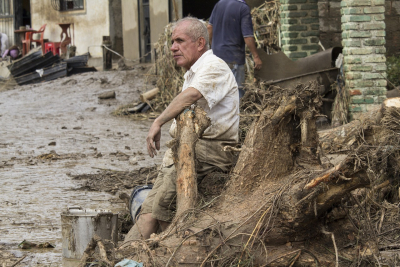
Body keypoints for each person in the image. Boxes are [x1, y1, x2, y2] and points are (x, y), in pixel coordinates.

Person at [125, 17, 239, 241]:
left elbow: (191, 96)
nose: (172, 47)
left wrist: (158, 121)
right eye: (172, 41)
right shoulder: (194, 71)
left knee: (160, 210)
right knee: (148, 210)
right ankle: (122, 257)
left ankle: (160, 253)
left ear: (199, 43)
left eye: (179, 41)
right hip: (184, 150)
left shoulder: (214, 66)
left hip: (208, 151)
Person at [207, 0, 262, 98]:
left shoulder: (219, 4)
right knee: (236, 94)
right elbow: (248, 37)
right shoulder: (243, 8)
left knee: (218, 93)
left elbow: (209, 27)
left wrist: (213, 46)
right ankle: (235, 113)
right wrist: (256, 56)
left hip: (216, 58)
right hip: (233, 59)